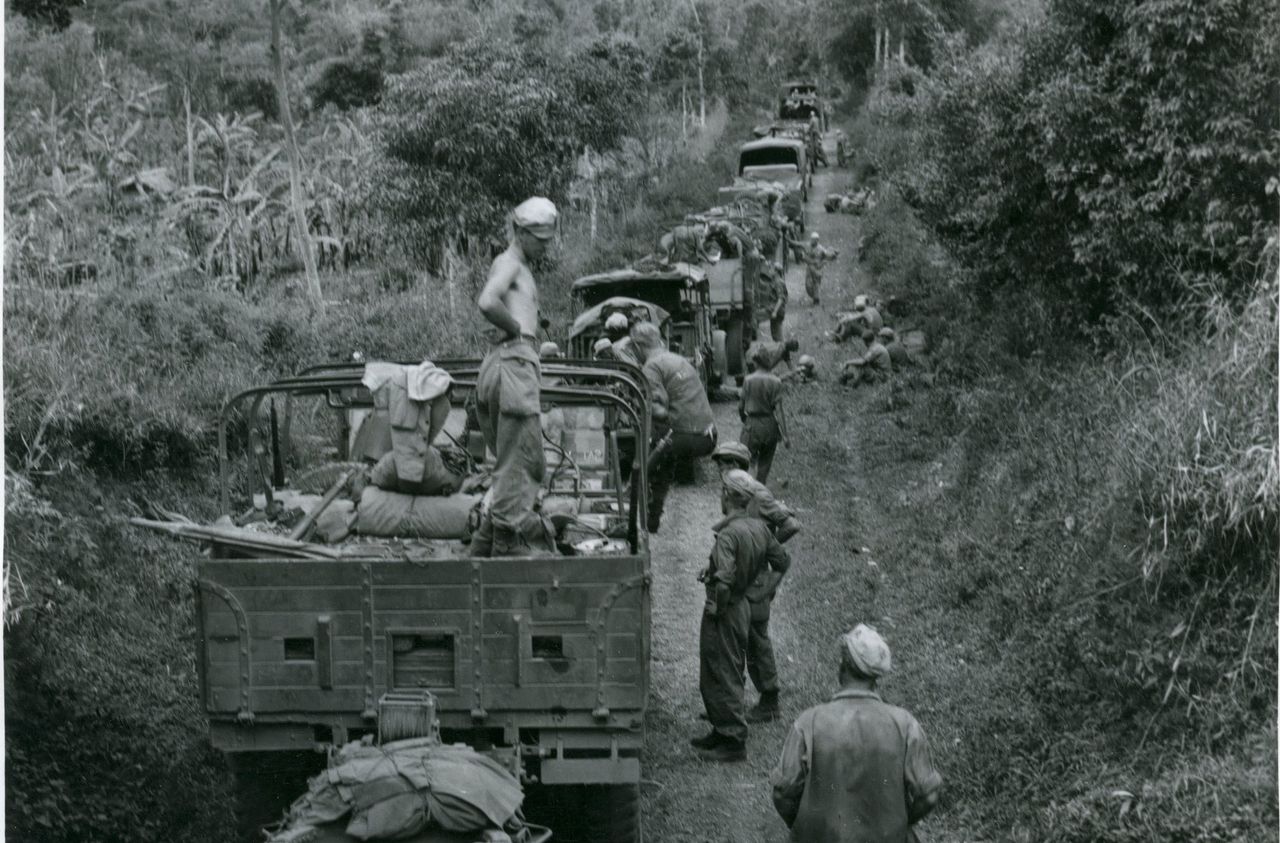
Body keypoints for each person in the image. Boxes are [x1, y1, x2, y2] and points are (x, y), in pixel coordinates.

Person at [770, 625, 943, 842]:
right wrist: (900, 824)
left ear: (843, 666)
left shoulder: (809, 722)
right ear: (875, 676)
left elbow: (782, 794)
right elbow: (929, 796)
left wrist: (805, 829)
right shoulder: (905, 724)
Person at [472, 197, 558, 557]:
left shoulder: (512, 264)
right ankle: (508, 545)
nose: (545, 246)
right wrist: (518, 331)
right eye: (539, 238)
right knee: (520, 461)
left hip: (505, 363)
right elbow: (487, 302)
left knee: (517, 459)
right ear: (520, 232)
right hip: (514, 361)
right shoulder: (510, 264)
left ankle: (485, 543)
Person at [692, 469, 790, 762]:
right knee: (724, 670)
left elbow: (724, 581)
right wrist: (760, 592)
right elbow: (782, 562)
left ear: (727, 496)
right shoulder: (759, 527)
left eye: (722, 491)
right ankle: (722, 730)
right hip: (743, 605)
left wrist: (718, 606)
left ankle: (733, 741)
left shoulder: (728, 535)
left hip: (727, 610)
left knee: (721, 673)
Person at [630, 321, 717, 533]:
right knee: (663, 453)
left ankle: (635, 518)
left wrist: (635, 403)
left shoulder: (651, 366)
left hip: (686, 435)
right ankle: (651, 520)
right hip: (708, 433)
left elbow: (658, 411)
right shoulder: (676, 359)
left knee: (646, 464)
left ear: (637, 346)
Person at [710, 443, 802, 543]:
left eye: (720, 464)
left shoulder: (758, 493)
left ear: (734, 464)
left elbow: (792, 525)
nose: (718, 470)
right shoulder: (730, 488)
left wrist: (768, 549)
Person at [739, 348, 788, 484]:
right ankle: (760, 488)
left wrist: (744, 419)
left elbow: (740, 406)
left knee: (747, 458)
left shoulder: (748, 380)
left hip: (752, 424)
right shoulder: (776, 381)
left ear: (756, 362)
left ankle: (747, 487)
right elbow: (779, 410)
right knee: (765, 463)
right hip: (769, 425)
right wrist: (785, 436)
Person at [797, 232, 837, 306]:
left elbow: (827, 255)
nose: (812, 241)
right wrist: (788, 240)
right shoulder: (807, 245)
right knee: (808, 285)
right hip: (809, 268)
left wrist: (833, 256)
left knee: (816, 284)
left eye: (813, 239)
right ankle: (814, 296)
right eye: (811, 239)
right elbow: (797, 244)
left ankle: (816, 299)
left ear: (817, 240)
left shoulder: (821, 248)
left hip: (818, 269)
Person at [766, 260, 789, 341]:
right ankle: (782, 351)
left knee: (778, 336)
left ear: (776, 271)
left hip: (778, 311)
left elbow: (781, 298)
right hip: (775, 310)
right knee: (775, 335)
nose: (769, 271)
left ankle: (784, 352)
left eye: (770, 269)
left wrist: (775, 312)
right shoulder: (775, 281)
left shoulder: (778, 282)